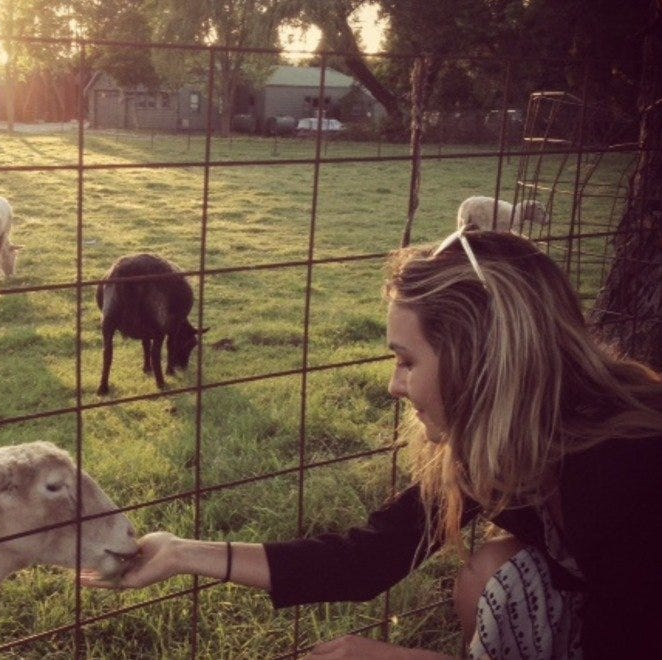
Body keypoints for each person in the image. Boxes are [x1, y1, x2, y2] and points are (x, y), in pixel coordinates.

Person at [82, 227, 662, 658]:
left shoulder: (626, 478)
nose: (393, 386)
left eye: (406, 361)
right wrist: (183, 553)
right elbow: (370, 557)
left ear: (480, 365)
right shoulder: (506, 441)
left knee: (494, 570)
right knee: (492, 569)